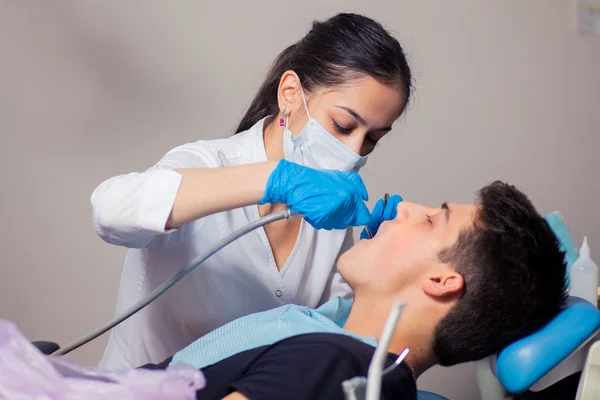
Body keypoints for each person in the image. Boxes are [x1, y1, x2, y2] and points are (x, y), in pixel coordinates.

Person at [90, 13, 412, 369]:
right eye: (343, 125)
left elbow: (323, 341)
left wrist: (368, 273)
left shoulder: (330, 214)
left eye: (372, 139)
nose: (354, 152)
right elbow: (109, 213)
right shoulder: (207, 163)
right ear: (290, 93)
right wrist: (276, 180)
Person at [140, 181, 568, 400]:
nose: (403, 208)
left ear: (441, 282)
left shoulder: (339, 365)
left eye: (432, 219)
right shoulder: (332, 334)